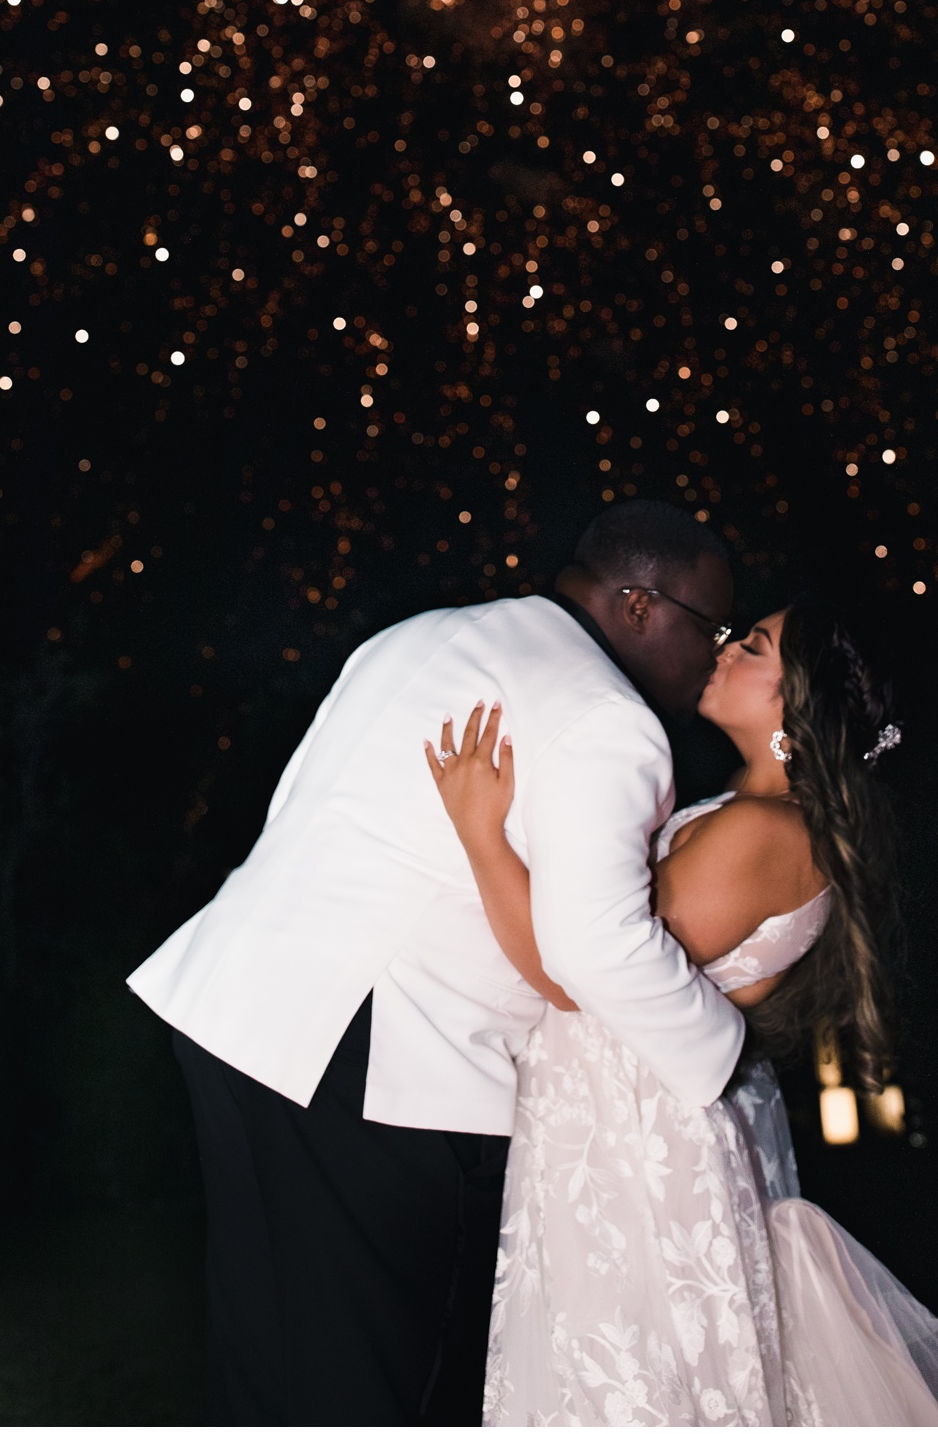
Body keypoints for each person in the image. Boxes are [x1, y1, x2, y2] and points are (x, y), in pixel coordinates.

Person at [126, 501, 744, 1426]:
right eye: (713, 628)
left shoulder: (421, 637)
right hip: (373, 1062)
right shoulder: (608, 718)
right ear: (640, 606)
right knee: (390, 1392)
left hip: (238, 1017)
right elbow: (597, 948)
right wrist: (722, 1042)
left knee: (265, 1382)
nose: (716, 657)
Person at [429, 597, 938, 1426]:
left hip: (629, 1144)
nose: (727, 647)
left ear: (796, 707)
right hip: (614, 1124)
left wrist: (481, 834)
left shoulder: (769, 833)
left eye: (756, 646)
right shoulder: (756, 819)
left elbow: (578, 973)